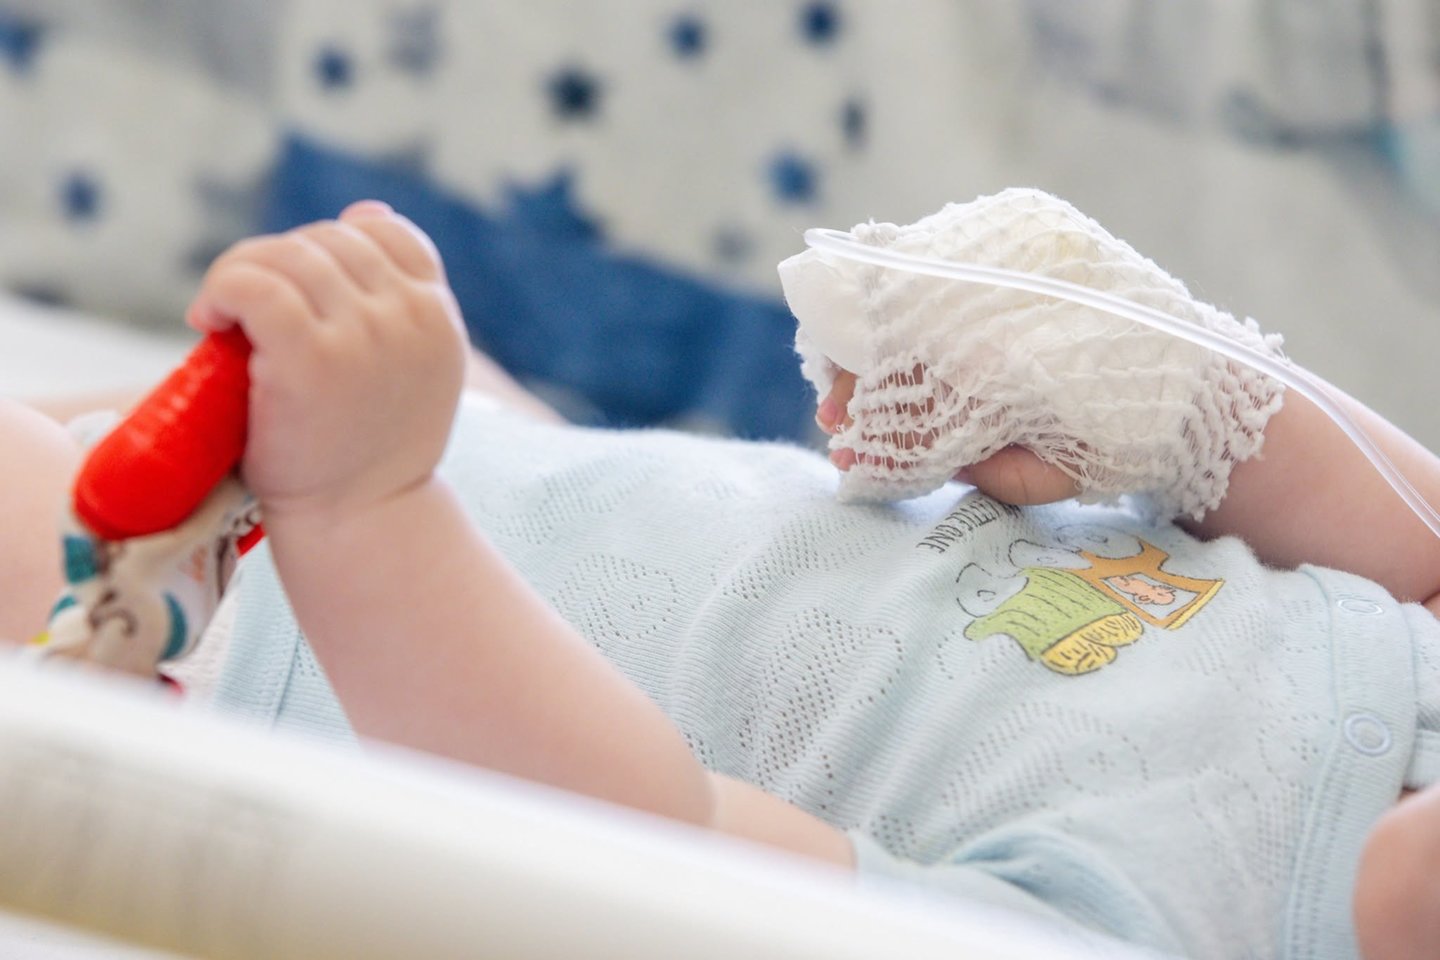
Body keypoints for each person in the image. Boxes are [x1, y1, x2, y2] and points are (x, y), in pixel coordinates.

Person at [2, 199, 1438, 959]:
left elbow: (658, 857)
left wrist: (371, 515)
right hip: (502, 460)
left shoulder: (1171, 927)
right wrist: (1128, 364)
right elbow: (1379, 509)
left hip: (321, 651)